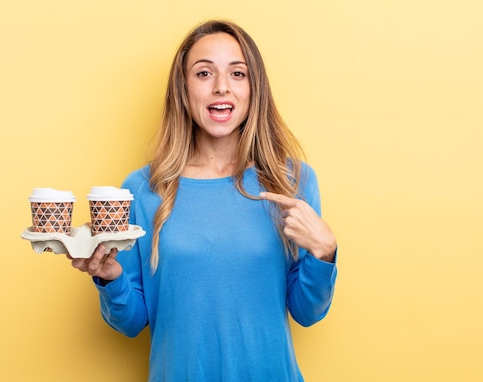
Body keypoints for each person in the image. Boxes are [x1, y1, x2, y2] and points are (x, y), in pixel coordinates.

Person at [70, 19, 338, 381]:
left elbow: (307, 312)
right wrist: (109, 277)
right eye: (203, 73)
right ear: (183, 89)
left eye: (238, 73)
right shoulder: (144, 189)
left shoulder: (292, 181)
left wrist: (325, 254)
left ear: (253, 88)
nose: (221, 87)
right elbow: (131, 322)